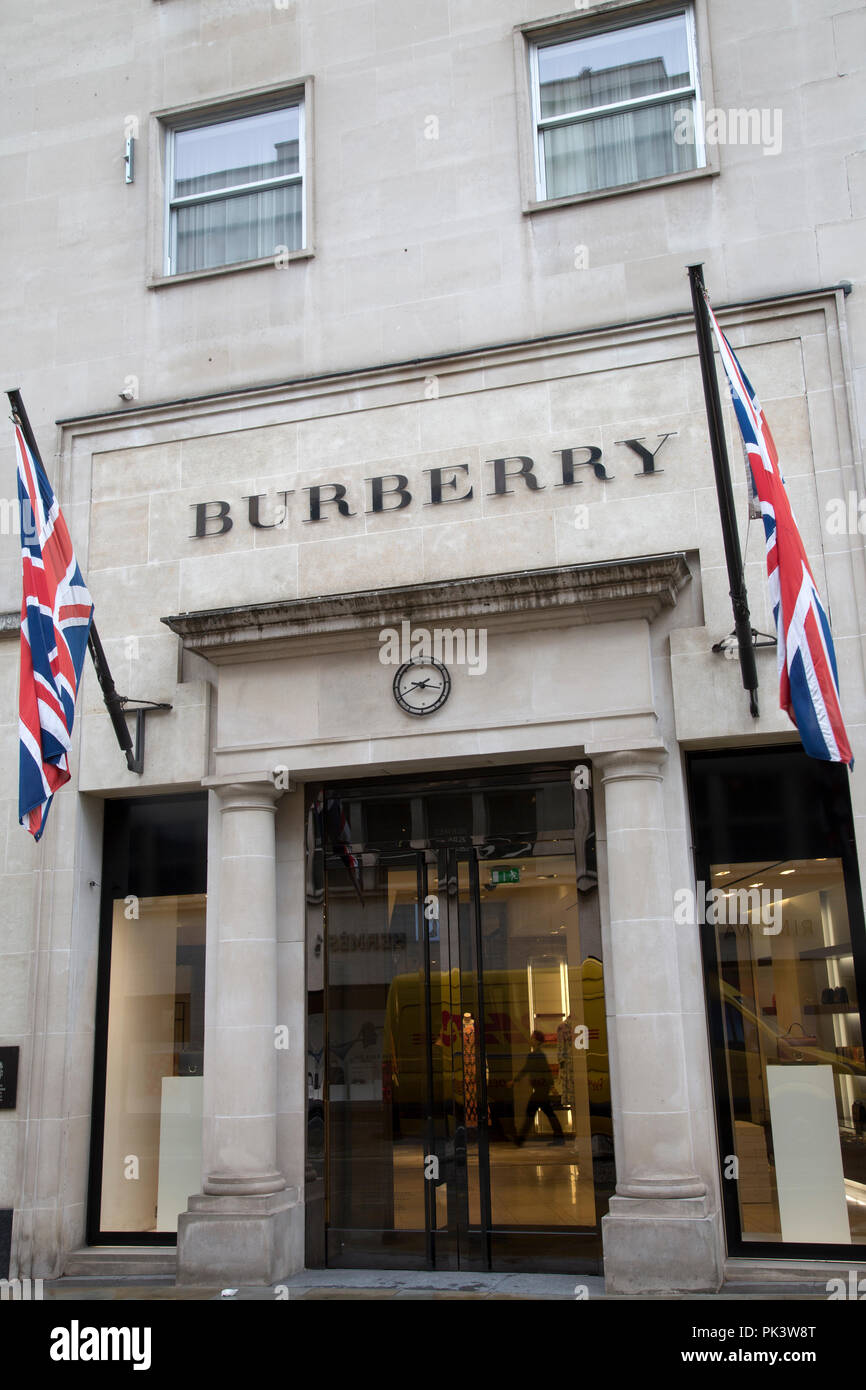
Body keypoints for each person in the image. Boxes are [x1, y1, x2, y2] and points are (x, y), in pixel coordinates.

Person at [511, 1030, 565, 1145]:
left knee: (532, 1112)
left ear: (536, 1040)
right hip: (542, 1088)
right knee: (547, 1112)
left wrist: (515, 1080)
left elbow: (533, 1070)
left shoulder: (536, 1054)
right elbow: (534, 1070)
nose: (530, 1040)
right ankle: (559, 1137)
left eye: (532, 1038)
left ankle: (520, 1140)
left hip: (541, 1089)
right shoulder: (537, 1054)